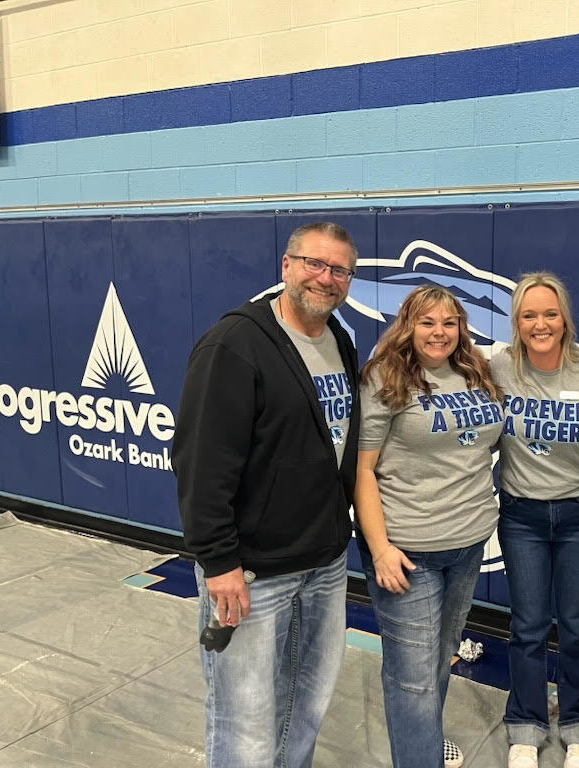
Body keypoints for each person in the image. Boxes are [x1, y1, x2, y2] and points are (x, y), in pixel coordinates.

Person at [172, 222, 361, 768]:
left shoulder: (339, 341)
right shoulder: (234, 345)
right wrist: (219, 562)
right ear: (286, 266)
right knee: (247, 725)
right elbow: (200, 464)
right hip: (252, 575)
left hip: (323, 564)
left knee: (304, 709)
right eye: (313, 264)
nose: (325, 278)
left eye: (339, 270)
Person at [354, 285, 504, 768]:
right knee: (411, 676)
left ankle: (424, 740)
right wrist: (379, 549)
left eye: (448, 322)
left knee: (441, 659)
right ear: (408, 325)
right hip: (406, 550)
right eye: (427, 322)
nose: (439, 332)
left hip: (465, 544)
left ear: (461, 327)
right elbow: (362, 471)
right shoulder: (386, 376)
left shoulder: (475, 371)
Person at [491, 273, 579, 768]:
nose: (541, 324)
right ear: (516, 321)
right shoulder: (496, 367)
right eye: (529, 315)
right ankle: (526, 724)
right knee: (528, 625)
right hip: (522, 515)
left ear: (565, 319)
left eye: (550, 314)